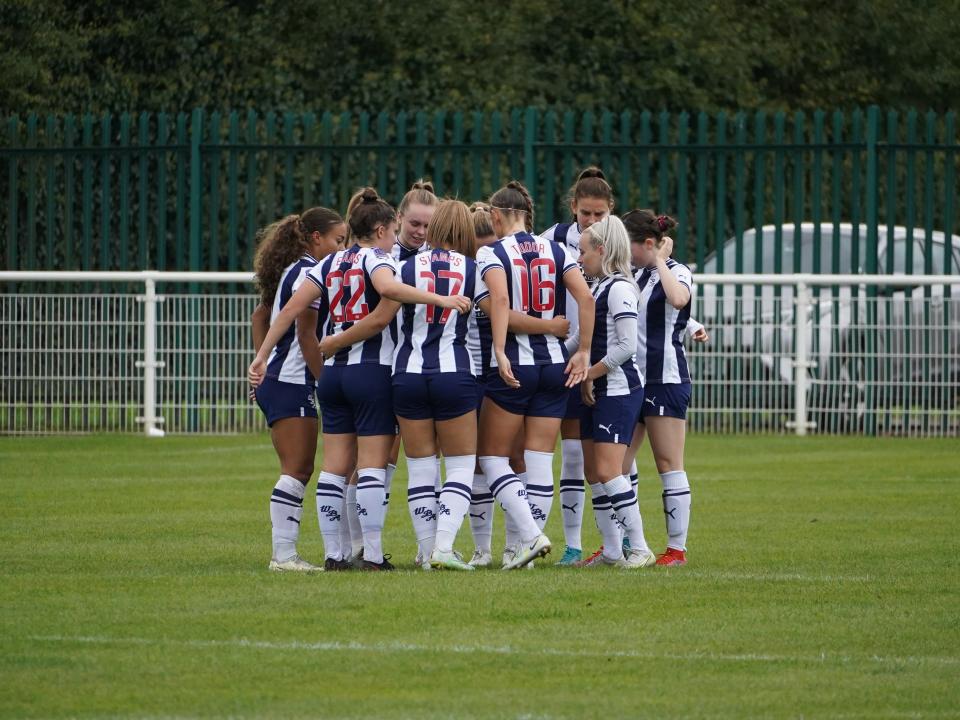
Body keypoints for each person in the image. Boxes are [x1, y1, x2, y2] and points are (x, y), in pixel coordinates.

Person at [248, 188, 470, 571]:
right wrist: (441, 299)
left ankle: (334, 555)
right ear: (384, 228)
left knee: (334, 467)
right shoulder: (378, 260)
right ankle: (370, 553)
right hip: (372, 371)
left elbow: (287, 311)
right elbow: (386, 292)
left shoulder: (329, 263)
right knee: (371, 466)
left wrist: (261, 355)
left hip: (331, 375)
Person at [475, 180, 595, 570]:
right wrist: (584, 352)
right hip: (554, 366)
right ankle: (520, 552)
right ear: (527, 214)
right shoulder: (558, 249)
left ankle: (529, 537)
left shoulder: (493, 252)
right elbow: (587, 299)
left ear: (496, 216)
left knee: (492, 457)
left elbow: (501, 303)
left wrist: (497, 349)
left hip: (515, 362)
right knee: (539, 459)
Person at [250, 208, 346, 572]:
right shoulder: (309, 271)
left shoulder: (294, 269)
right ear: (316, 238)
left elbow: (260, 315)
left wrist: (261, 362)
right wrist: (328, 382)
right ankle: (284, 555)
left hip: (281, 379)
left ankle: (286, 553)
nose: (342, 248)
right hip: (291, 381)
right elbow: (306, 335)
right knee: (298, 468)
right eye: (338, 240)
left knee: (299, 467)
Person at [565, 215, 656, 568]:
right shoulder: (599, 286)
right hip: (595, 388)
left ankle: (640, 547)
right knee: (595, 473)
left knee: (609, 470)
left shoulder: (619, 288)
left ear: (601, 250)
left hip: (617, 390)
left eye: (583, 251)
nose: (578, 258)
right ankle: (612, 550)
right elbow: (579, 340)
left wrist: (589, 373)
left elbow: (626, 347)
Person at [540, 167, 615, 566]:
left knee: (597, 459)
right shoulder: (549, 240)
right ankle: (560, 543)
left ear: (611, 212)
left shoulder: (616, 244)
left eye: (599, 214)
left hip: (596, 360)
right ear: (573, 208)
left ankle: (600, 542)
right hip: (557, 357)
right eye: (585, 213)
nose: (592, 221)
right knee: (556, 455)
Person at [623, 209, 696, 566]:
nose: (625, 251)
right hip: (632, 379)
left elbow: (679, 300)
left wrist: (661, 261)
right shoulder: (633, 273)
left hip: (665, 380)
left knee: (668, 463)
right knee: (617, 465)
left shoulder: (677, 270)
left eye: (631, 244)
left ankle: (676, 549)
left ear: (648, 244)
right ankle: (624, 545)